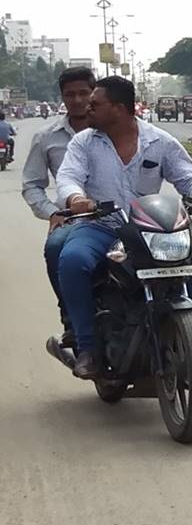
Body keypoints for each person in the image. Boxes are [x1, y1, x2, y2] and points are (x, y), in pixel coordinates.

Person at [55, 76, 192, 379]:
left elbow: (186, 174)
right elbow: (68, 177)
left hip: (149, 231)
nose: (86, 110)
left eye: (95, 104)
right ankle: (88, 347)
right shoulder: (84, 142)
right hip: (100, 226)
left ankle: (181, 325)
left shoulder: (159, 141)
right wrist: (76, 197)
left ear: (119, 109)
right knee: (72, 261)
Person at [22, 67, 97, 347]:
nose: (77, 100)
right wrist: (52, 213)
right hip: (73, 219)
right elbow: (32, 184)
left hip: (120, 215)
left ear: (94, 94)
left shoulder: (114, 128)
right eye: (70, 94)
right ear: (62, 98)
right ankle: (71, 319)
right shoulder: (46, 137)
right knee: (56, 248)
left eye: (83, 93)